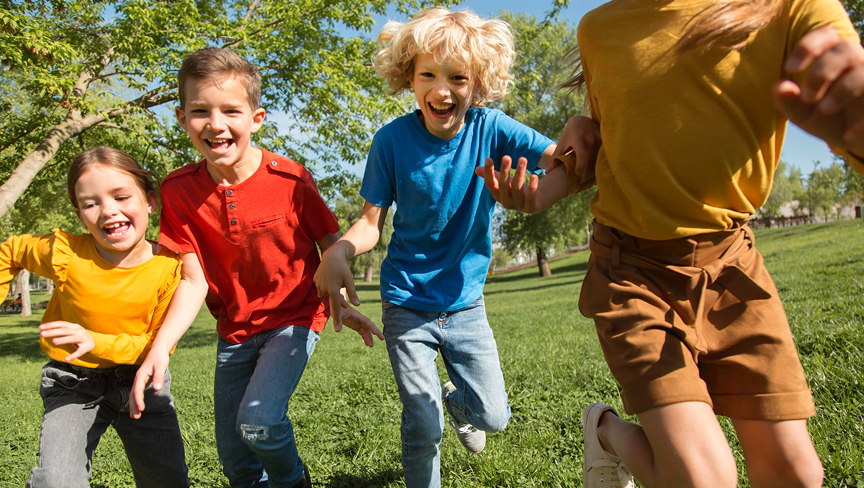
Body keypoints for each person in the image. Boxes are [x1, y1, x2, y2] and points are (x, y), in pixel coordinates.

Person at [478, 1, 864, 487]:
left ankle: (607, 435)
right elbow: (602, 148)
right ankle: (607, 433)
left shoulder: (790, 7)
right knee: (703, 480)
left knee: (796, 474)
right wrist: (541, 191)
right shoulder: (600, 29)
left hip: (732, 267)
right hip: (632, 271)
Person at [314, 9, 561, 488]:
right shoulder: (390, 142)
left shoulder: (492, 129)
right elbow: (370, 222)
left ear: (479, 83)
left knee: (494, 418)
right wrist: (341, 249)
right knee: (422, 425)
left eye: (457, 77)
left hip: (466, 303)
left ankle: (458, 403)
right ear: (409, 77)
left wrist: (577, 162)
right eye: (428, 74)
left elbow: (559, 158)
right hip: (406, 302)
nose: (441, 89)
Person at [129, 47, 383, 488]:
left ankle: (293, 482)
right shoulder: (178, 192)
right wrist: (160, 348)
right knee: (236, 459)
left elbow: (330, 243)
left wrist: (340, 302)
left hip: (295, 318)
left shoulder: (291, 179)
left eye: (231, 110)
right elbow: (192, 281)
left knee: (259, 424)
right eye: (199, 111)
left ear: (256, 118)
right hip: (234, 331)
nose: (215, 123)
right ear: (180, 117)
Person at [0, 146, 189, 487]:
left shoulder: (170, 268)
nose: (108, 211)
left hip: (141, 381)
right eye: (91, 203)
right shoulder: (65, 253)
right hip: (73, 383)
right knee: (57, 481)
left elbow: (154, 345)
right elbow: (10, 251)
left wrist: (95, 341)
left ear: (150, 201)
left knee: (168, 480)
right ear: (79, 214)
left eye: (120, 196)